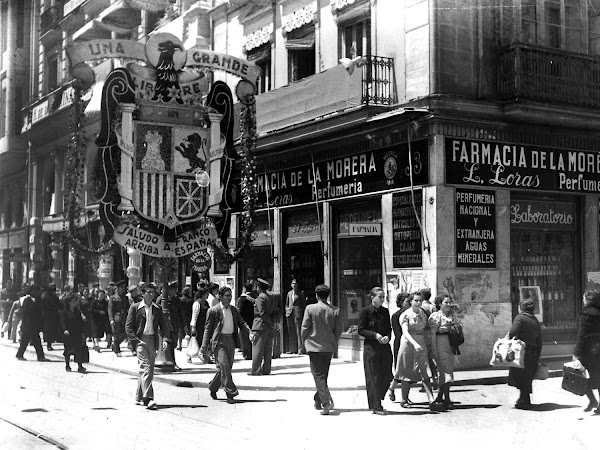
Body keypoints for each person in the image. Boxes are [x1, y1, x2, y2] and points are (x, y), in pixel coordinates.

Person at [388, 291, 440, 410]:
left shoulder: (423, 314)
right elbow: (405, 332)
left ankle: (431, 400)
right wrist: (415, 344)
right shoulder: (405, 315)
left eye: (420, 300)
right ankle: (404, 399)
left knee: (425, 371)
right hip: (408, 344)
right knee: (406, 371)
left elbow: (427, 328)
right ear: (411, 302)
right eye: (415, 300)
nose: (418, 303)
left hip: (421, 343)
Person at [201, 286, 253, 404]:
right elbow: (207, 330)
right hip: (219, 341)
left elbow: (242, 323)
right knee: (224, 366)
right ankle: (230, 393)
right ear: (220, 297)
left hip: (231, 341)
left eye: (230, 295)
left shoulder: (234, 310)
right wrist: (203, 348)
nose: (230, 298)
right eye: (227, 295)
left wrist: (249, 332)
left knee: (225, 369)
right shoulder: (213, 311)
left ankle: (213, 387)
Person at [125, 283, 170, 410]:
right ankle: (149, 399)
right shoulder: (135, 308)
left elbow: (164, 325)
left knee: (148, 370)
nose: (151, 294)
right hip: (141, 341)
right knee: (145, 369)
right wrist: (135, 341)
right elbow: (128, 327)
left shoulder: (157, 308)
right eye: (148, 292)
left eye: (152, 292)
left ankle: (139, 396)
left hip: (153, 340)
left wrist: (165, 339)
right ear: (142, 294)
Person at [301, 284, 341, 415]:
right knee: (323, 375)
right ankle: (318, 399)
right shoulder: (335, 310)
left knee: (318, 376)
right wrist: (334, 342)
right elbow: (338, 330)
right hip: (328, 347)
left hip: (314, 346)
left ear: (316, 295)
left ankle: (327, 402)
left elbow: (305, 327)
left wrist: (303, 341)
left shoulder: (310, 308)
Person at [358, 286, 393, 415]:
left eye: (383, 297)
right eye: (380, 297)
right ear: (372, 297)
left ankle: (378, 398)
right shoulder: (365, 312)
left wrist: (388, 337)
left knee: (387, 375)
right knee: (373, 377)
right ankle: (376, 405)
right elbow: (361, 330)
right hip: (371, 348)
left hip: (384, 347)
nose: (382, 299)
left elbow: (389, 328)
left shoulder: (385, 311)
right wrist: (375, 335)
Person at [508, 298, 543, 409]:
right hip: (533, 352)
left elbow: (513, 332)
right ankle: (525, 398)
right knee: (527, 375)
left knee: (518, 374)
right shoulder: (535, 320)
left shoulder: (520, 318)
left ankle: (523, 399)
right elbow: (539, 339)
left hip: (521, 352)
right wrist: (538, 354)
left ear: (521, 308)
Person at [572, 290, 600, 413]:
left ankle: (592, 400)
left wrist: (576, 353)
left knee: (582, 376)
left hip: (589, 350)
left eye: (584, 298)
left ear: (588, 300)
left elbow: (581, 335)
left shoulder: (585, 315)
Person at [429, 294, 457, 409]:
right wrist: (434, 350)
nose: (448, 305)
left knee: (448, 371)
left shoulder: (451, 315)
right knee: (445, 372)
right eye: (446, 302)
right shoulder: (436, 316)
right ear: (440, 304)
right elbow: (432, 334)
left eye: (449, 302)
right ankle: (447, 398)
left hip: (449, 345)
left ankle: (440, 396)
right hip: (440, 345)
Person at [249, 278, 276, 376]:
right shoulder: (269, 297)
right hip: (268, 326)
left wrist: (269, 322)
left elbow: (261, 312)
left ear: (259, 287)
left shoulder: (260, 297)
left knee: (258, 349)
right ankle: (266, 369)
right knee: (268, 350)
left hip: (260, 325)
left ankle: (255, 370)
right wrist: (271, 323)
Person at [157, 281, 186, 370]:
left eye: (175, 289)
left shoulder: (177, 299)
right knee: (167, 343)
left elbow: (180, 313)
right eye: (173, 289)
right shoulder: (161, 299)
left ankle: (172, 362)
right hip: (164, 325)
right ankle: (170, 362)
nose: (174, 291)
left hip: (174, 324)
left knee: (173, 343)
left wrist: (183, 325)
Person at [15, 285, 48, 361]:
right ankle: (20, 355)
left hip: (34, 325)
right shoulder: (27, 300)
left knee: (35, 341)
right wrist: (34, 304)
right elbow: (26, 311)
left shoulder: (38, 300)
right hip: (28, 324)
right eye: (37, 291)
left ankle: (39, 356)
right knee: (26, 341)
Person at [60, 292, 87, 373]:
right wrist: (65, 330)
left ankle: (80, 366)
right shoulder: (64, 312)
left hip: (77, 333)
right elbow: (62, 322)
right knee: (68, 350)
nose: (75, 303)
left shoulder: (77, 311)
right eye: (73, 301)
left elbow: (80, 322)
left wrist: (83, 332)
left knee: (78, 350)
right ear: (69, 302)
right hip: (68, 334)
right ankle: (67, 365)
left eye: (75, 301)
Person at [108, 280, 129, 356]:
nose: (123, 289)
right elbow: (110, 309)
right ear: (118, 288)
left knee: (125, 333)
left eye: (124, 287)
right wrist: (111, 319)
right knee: (116, 334)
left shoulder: (125, 298)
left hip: (124, 318)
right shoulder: (113, 297)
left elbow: (127, 308)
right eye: (121, 287)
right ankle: (117, 350)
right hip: (116, 318)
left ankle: (115, 344)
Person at [189, 286, 210, 363]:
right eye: (207, 294)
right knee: (197, 341)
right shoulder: (197, 303)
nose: (208, 295)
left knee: (204, 340)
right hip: (198, 325)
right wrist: (193, 327)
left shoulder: (206, 303)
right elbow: (194, 315)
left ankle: (204, 355)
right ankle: (191, 355)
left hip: (205, 325)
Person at [285, 279, 306, 355]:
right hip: (290, 314)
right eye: (293, 283)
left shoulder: (301, 293)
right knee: (291, 331)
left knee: (298, 331)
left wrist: (302, 313)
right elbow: (287, 303)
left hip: (298, 314)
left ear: (297, 285)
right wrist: (287, 310)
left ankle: (300, 349)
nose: (294, 285)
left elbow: (304, 304)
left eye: (295, 284)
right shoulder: (289, 293)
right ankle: (292, 349)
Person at [236, 282, 255, 360]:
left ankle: (247, 354)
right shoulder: (255, 297)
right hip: (253, 320)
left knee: (245, 338)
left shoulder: (242, 298)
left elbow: (239, 311)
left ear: (245, 289)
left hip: (244, 321)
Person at [391, 292, 411, 366]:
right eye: (407, 301)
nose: (409, 303)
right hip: (401, 342)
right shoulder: (396, 316)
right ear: (401, 302)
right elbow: (397, 333)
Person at [41, 284, 62, 351]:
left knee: (52, 330)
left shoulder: (53, 296)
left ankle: (50, 343)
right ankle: (48, 345)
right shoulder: (45, 296)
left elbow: (58, 303)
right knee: (48, 330)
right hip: (47, 316)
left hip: (53, 315)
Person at [180, 286, 194, 351]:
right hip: (189, 316)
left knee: (181, 330)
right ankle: (189, 344)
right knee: (189, 330)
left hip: (182, 316)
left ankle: (180, 345)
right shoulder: (191, 299)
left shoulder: (181, 299)